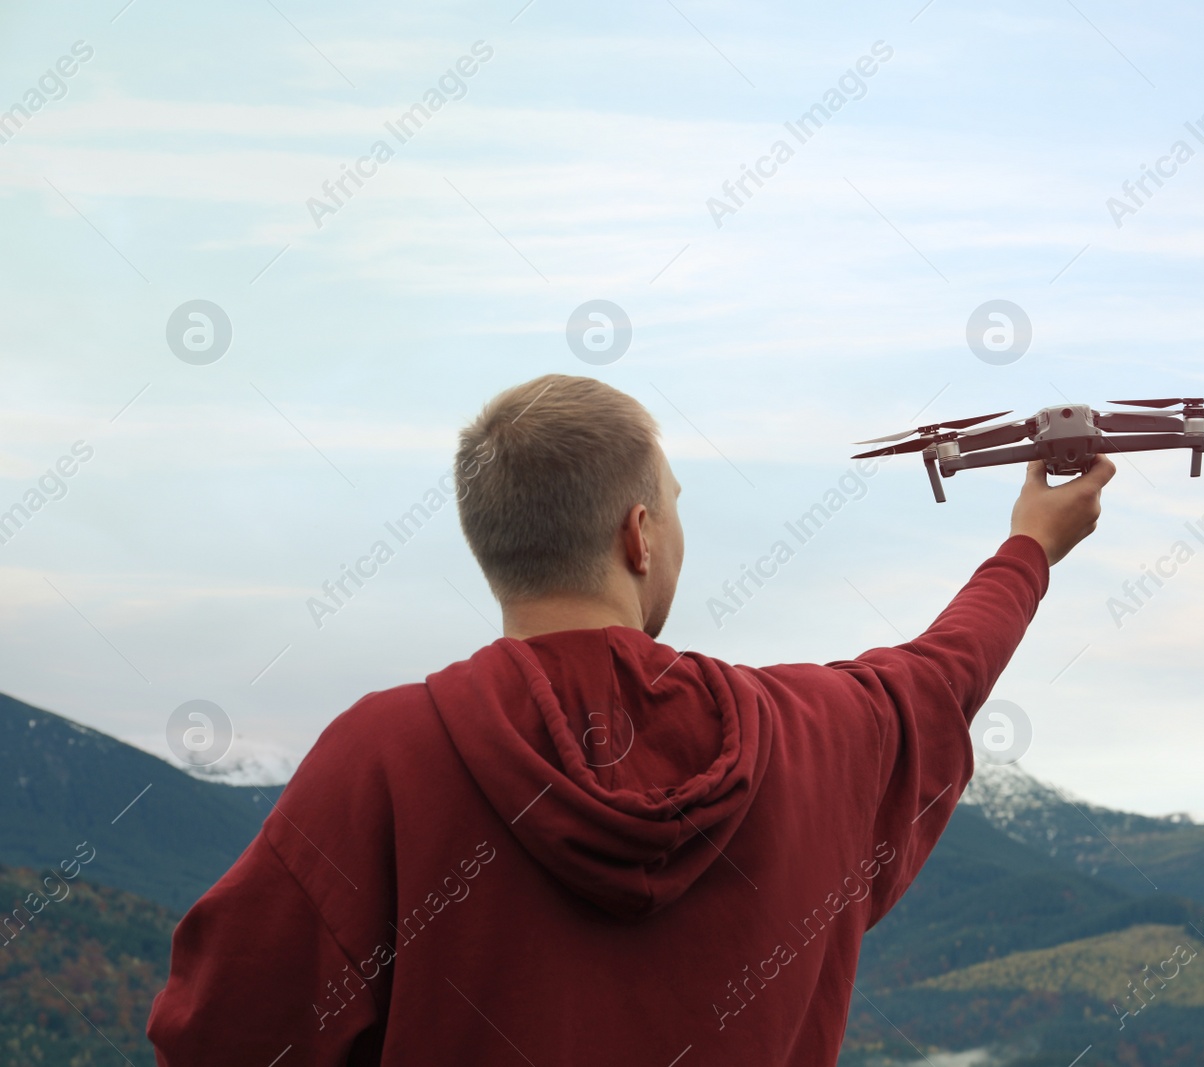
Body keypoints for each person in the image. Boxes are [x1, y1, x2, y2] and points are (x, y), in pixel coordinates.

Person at [147, 374, 1114, 1066]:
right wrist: (1029, 546)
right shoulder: (808, 732)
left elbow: (224, 1033)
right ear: (638, 535)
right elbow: (941, 677)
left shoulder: (381, 757)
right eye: (675, 506)